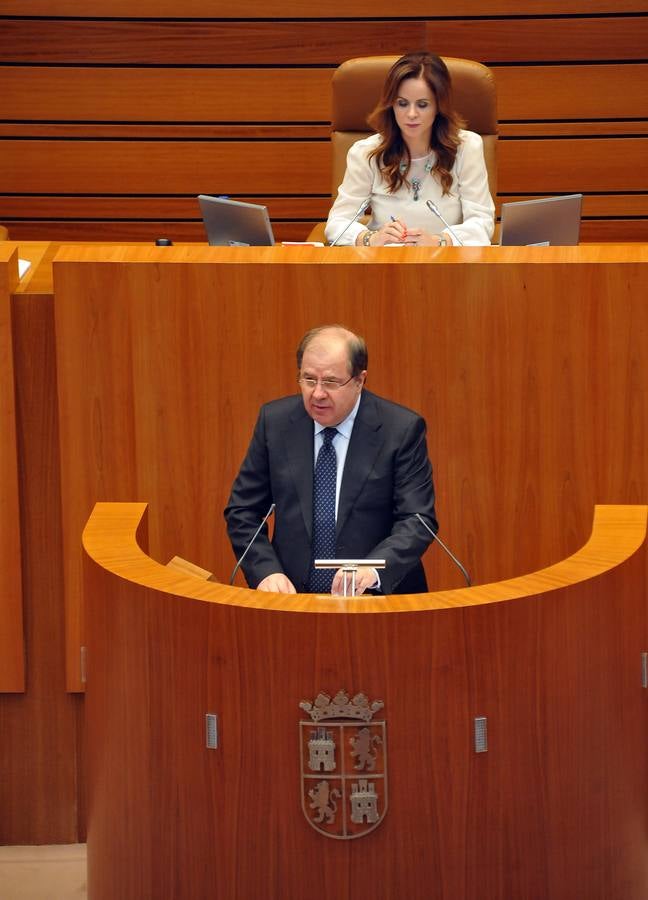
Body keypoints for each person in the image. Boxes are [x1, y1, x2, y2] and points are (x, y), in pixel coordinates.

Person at [224, 325, 438, 595]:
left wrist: (372, 570)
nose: (318, 393)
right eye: (309, 379)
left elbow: (417, 520)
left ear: (359, 380)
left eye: (331, 382)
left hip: (378, 606)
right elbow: (243, 511)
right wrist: (266, 572)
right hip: (292, 603)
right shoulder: (275, 423)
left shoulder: (400, 430)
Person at [324, 52, 495, 248]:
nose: (411, 114)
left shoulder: (466, 147)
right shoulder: (366, 153)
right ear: (391, 105)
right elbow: (337, 223)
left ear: (439, 106)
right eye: (402, 103)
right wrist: (370, 238)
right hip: (385, 264)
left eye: (422, 105)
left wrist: (440, 241)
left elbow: (482, 223)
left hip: (446, 263)